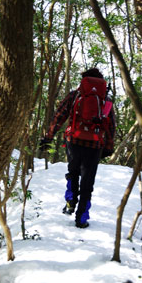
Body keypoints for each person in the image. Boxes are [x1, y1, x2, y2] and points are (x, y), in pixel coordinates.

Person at [40, 68, 116, 228]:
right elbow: (110, 127)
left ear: (84, 80)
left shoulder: (75, 95)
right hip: (95, 145)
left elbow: (59, 117)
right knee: (88, 182)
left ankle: (71, 201)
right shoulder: (106, 100)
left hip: (73, 141)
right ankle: (81, 218)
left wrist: (48, 137)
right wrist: (108, 146)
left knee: (73, 173)